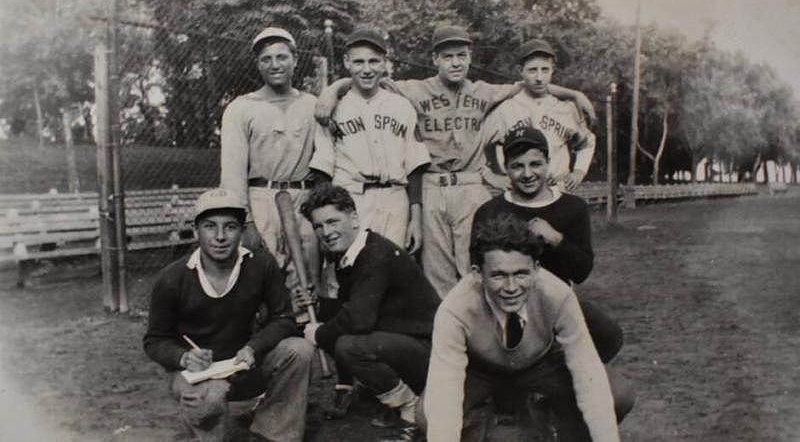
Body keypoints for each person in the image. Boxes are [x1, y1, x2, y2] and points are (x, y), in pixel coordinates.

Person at [315, 25, 596, 299]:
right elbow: (366, 78)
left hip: (469, 185)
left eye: (461, 55)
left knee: (475, 264)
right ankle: (447, 339)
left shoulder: (484, 91)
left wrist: (574, 94)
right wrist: (332, 90)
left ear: (470, 57)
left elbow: (533, 85)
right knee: (436, 272)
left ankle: (481, 340)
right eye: (447, 56)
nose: (455, 62)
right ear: (435, 59)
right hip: (432, 184)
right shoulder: (414, 90)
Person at [423, 214, 635, 442]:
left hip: (540, 364)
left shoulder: (557, 294)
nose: (511, 287)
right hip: (480, 370)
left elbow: (586, 370)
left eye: (521, 274)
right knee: (426, 415)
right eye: (499, 275)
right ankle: (491, 421)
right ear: (477, 273)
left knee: (618, 394)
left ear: (535, 269)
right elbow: (446, 384)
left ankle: (551, 421)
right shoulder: (454, 308)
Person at [143, 188, 314, 442]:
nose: (221, 237)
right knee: (207, 401)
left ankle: (273, 432)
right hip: (199, 373)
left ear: (242, 231)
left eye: (230, 227)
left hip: (244, 363)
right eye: (210, 226)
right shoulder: (172, 278)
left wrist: (254, 347)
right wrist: (184, 357)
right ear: (196, 229)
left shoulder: (261, 264)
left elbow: (284, 318)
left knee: (299, 350)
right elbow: (154, 341)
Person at [299, 184, 441, 440]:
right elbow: (345, 311)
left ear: (354, 217)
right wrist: (316, 307)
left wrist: (319, 334)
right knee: (344, 335)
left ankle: (412, 410)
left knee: (350, 345)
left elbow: (358, 320)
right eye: (318, 226)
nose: (326, 232)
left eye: (333, 221)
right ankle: (405, 401)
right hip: (405, 346)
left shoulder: (375, 254)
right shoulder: (350, 255)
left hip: (432, 354)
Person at [473, 125, 622, 363]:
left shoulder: (572, 207)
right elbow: (478, 273)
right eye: (517, 166)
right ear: (506, 168)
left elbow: (582, 271)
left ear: (548, 162)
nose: (527, 174)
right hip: (508, 311)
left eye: (535, 164)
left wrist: (556, 238)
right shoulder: (490, 211)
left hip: (556, 306)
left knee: (608, 333)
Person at [219, 26, 325, 319]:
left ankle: (307, 343)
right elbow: (232, 172)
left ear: (294, 59)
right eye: (266, 59)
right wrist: (245, 221)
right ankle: (267, 349)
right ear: (258, 64)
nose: (275, 65)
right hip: (261, 198)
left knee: (307, 280)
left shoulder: (313, 105)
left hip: (303, 198)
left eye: (281, 57)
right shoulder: (241, 108)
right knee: (262, 280)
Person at [308, 27, 430, 252]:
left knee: (393, 272)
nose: (366, 70)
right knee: (348, 272)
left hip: (395, 199)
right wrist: (325, 218)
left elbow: (415, 167)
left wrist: (416, 220)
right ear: (347, 62)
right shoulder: (333, 108)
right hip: (350, 199)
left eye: (374, 62)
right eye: (359, 62)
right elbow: (322, 169)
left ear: (384, 63)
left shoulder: (401, 105)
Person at [482, 38, 596, 193]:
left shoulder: (566, 108)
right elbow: (475, 145)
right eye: (532, 70)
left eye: (545, 69)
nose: (539, 77)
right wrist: (491, 176)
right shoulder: (505, 109)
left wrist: (579, 171)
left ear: (552, 70)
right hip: (518, 191)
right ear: (520, 71)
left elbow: (587, 142)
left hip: (557, 190)